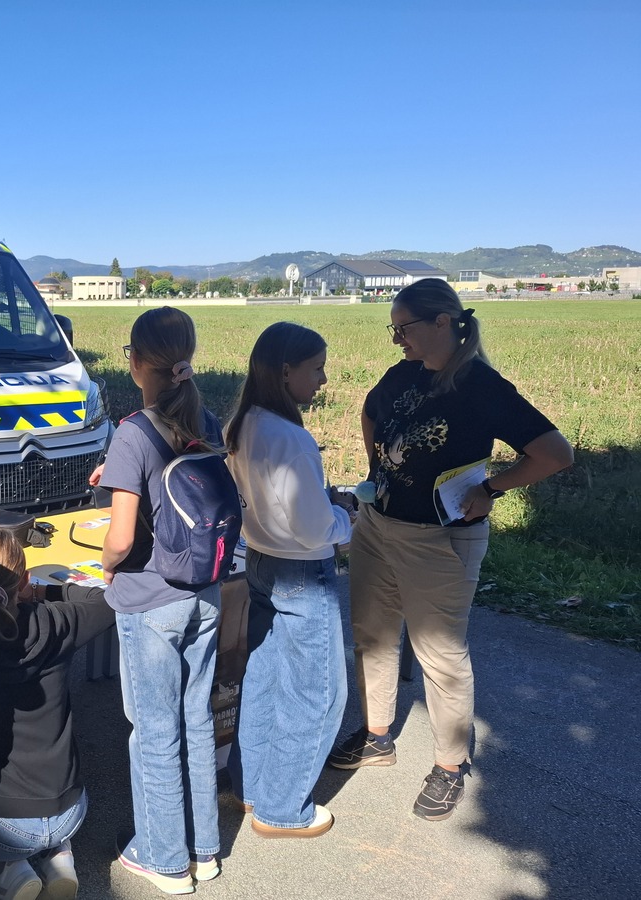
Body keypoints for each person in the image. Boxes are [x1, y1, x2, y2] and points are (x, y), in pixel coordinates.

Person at [327, 278, 573, 821]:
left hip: (439, 539)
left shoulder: (482, 387)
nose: (397, 340)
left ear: (443, 322)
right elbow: (371, 413)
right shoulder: (404, 374)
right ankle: (376, 736)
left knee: (440, 654)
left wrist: (491, 490)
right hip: (378, 524)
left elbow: (555, 453)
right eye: (393, 329)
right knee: (372, 634)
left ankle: (449, 764)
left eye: (404, 328)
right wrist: (376, 471)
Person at [98, 306, 223, 894]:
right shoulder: (206, 419)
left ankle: (164, 858)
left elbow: (121, 539)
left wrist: (105, 566)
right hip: (206, 590)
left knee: (153, 731)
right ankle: (204, 849)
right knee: (195, 719)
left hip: (149, 600)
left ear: (138, 362)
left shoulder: (132, 433)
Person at [223, 322, 353, 838]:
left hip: (260, 559)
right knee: (317, 692)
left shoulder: (243, 424)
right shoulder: (292, 438)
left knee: (264, 679)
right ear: (284, 371)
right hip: (302, 571)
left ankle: (251, 788)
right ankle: (282, 809)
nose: (323, 379)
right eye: (316, 368)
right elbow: (314, 528)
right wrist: (346, 518)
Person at [0, 529, 116, 900]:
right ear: (24, 580)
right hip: (70, 812)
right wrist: (41, 592)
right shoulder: (57, 621)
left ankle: (10, 869)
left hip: (3, 826)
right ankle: (60, 856)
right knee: (47, 818)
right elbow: (109, 600)